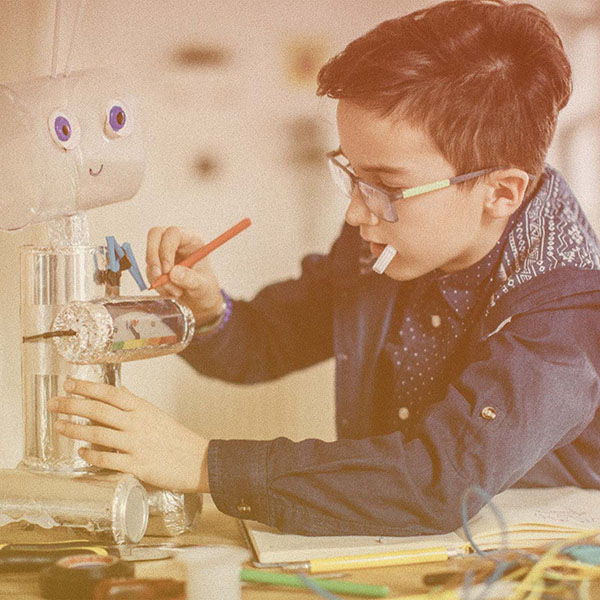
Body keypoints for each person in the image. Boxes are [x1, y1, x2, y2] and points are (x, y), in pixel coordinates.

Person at [49, 0, 600, 536]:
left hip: (527, 562)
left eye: (386, 185)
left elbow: (440, 481)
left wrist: (202, 464)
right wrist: (211, 312)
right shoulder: (385, 237)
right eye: (351, 174)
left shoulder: (568, 317)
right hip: (389, 537)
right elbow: (271, 340)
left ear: (501, 192)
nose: (357, 211)